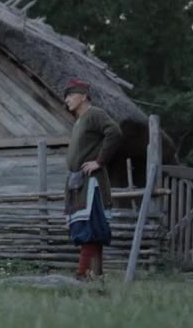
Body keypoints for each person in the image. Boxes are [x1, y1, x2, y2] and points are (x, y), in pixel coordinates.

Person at [63, 78, 122, 280]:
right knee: (91, 228)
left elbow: (114, 131)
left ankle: (83, 274)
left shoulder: (94, 113)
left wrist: (99, 161)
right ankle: (95, 275)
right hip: (78, 182)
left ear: (84, 96)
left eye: (70, 95)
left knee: (92, 226)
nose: (67, 99)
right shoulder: (79, 121)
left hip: (92, 182)